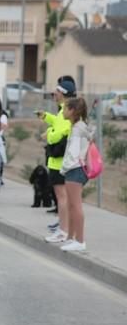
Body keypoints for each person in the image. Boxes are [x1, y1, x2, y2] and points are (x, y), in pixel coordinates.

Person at [40, 79, 75, 244]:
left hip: (59, 161)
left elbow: (61, 134)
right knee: (64, 197)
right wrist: (47, 118)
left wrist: (49, 135)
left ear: (63, 94)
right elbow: (59, 126)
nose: (54, 94)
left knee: (62, 197)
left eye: (57, 92)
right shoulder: (64, 111)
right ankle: (66, 229)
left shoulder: (65, 112)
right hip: (60, 161)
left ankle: (63, 231)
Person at [59, 98, 92, 252]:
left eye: (65, 108)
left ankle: (80, 241)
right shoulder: (78, 127)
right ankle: (72, 238)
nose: (63, 111)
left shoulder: (78, 129)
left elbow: (73, 154)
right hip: (76, 169)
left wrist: (65, 167)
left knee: (76, 206)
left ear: (72, 111)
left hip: (75, 169)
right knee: (72, 205)